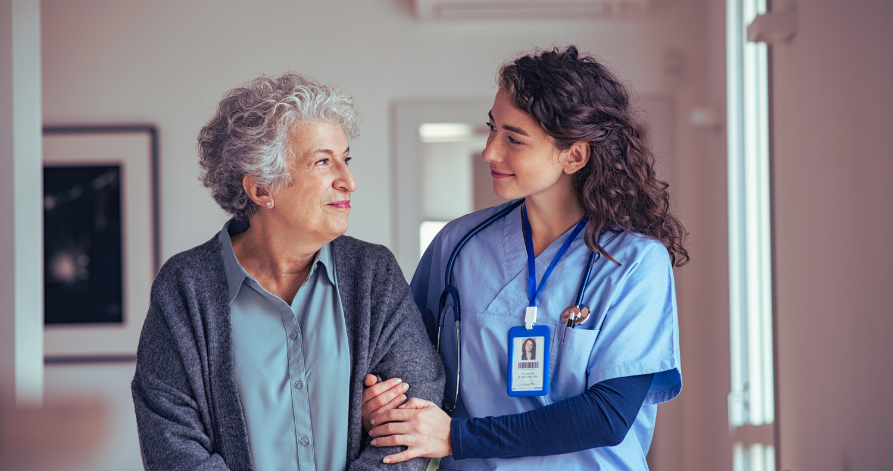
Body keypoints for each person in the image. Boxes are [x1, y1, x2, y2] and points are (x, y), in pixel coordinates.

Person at [361, 46, 688, 469]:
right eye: (492, 129)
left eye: (514, 139)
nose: (490, 152)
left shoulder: (635, 262)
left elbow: (608, 415)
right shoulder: (458, 244)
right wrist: (382, 402)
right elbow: (404, 360)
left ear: (574, 155)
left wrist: (457, 437)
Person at [131, 73, 444, 471]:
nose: (349, 181)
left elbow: (414, 412)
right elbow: (172, 445)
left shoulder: (373, 273)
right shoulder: (185, 287)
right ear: (262, 190)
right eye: (322, 162)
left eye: (345, 159)